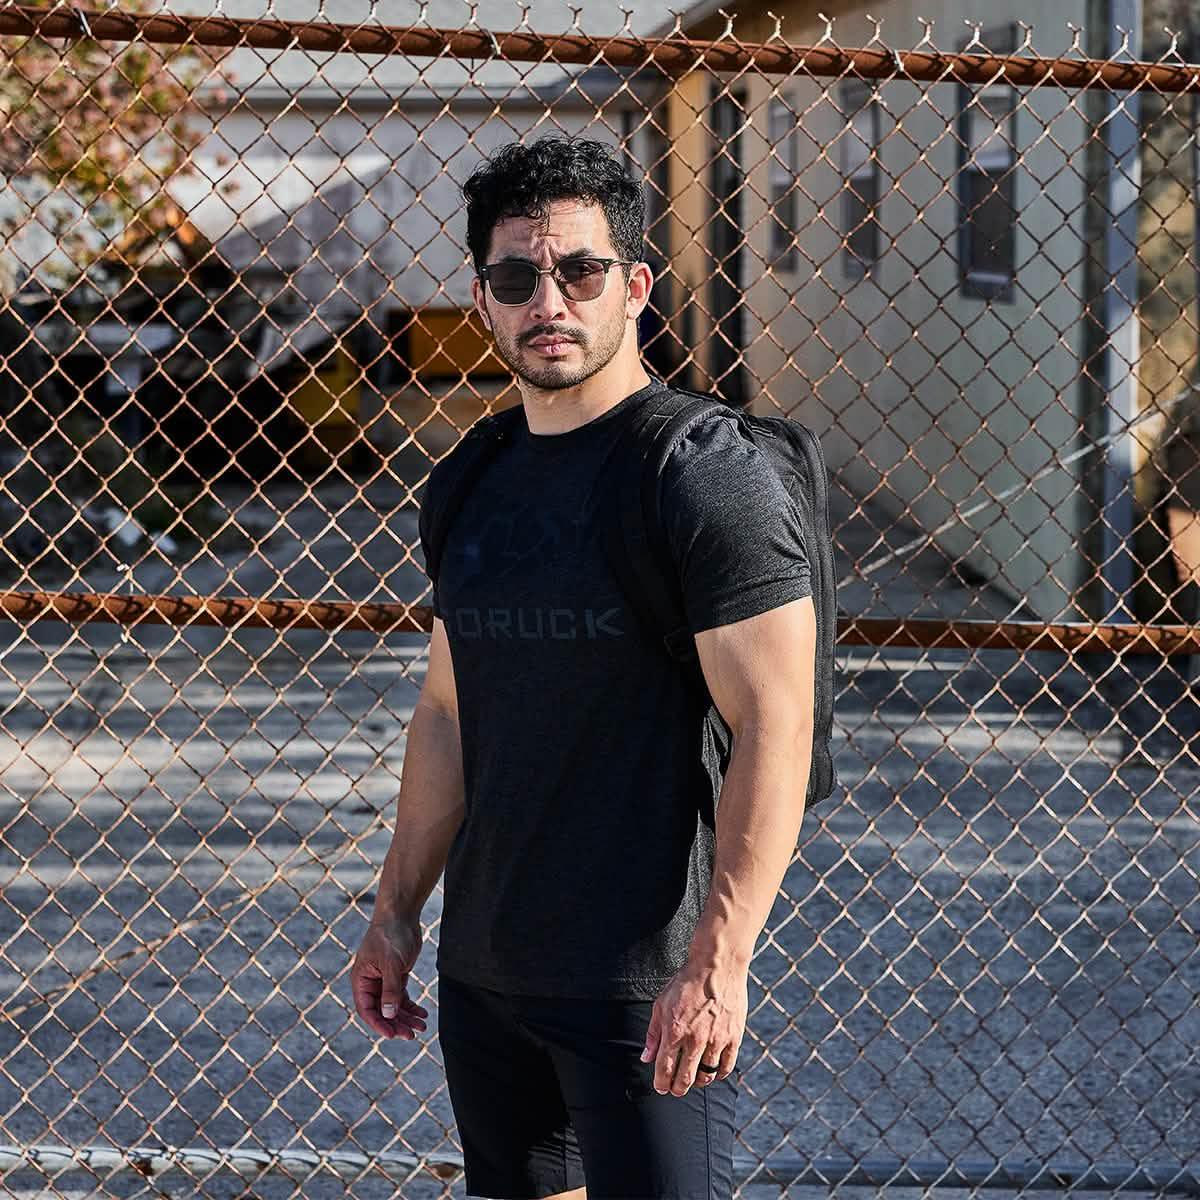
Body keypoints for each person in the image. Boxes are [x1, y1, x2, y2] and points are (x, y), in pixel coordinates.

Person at [350, 135, 816, 1200]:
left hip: (642, 986)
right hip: (488, 975)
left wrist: (718, 965)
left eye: (581, 271)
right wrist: (394, 911)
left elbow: (775, 728)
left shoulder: (705, 477)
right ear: (481, 298)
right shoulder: (470, 481)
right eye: (516, 278)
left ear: (636, 286)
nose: (547, 300)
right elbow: (446, 713)